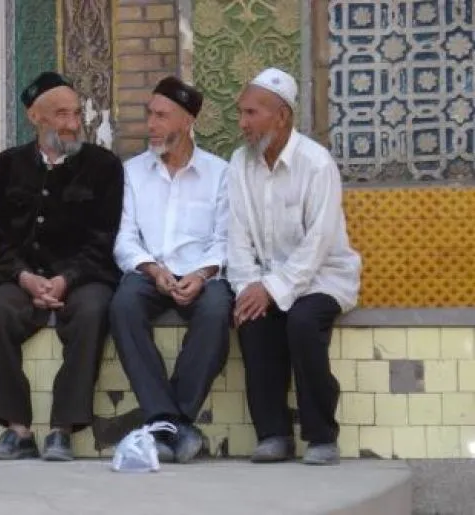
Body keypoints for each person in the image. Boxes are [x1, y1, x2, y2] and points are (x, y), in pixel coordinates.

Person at [0, 71, 124, 461]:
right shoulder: (4, 167)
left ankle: (62, 429)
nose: (73, 124)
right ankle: (17, 430)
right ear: (35, 117)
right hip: (24, 278)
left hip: (84, 277)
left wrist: (64, 279)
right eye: (61, 114)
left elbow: (103, 240)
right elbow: (2, 241)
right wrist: (25, 278)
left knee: (93, 311)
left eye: (76, 113)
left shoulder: (103, 166)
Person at [227, 68, 361, 465]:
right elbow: (236, 233)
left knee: (302, 322)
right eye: (241, 113)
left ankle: (322, 436)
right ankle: (273, 434)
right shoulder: (239, 162)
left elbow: (318, 242)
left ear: (281, 116)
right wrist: (249, 287)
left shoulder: (316, 163)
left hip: (322, 277)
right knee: (251, 319)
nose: (242, 123)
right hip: (266, 277)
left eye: (251, 113)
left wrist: (272, 288)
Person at [110, 76, 233, 464]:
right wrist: (151, 269)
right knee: (123, 306)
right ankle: (171, 421)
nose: (151, 124)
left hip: (202, 274)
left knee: (216, 309)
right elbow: (124, 237)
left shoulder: (220, 173)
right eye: (150, 114)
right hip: (150, 273)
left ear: (187, 121)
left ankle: (167, 423)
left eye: (161, 116)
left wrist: (201, 274)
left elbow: (226, 238)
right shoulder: (132, 172)